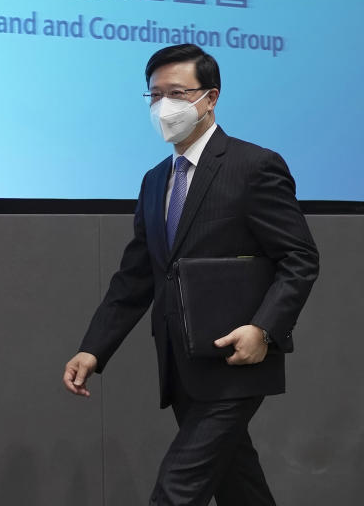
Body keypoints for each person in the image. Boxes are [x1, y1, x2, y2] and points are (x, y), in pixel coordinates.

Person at [62, 44, 319, 505]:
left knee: (177, 491)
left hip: (236, 359)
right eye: (155, 95)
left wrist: (264, 328)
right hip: (181, 364)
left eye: (177, 93)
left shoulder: (253, 166)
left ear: (210, 97)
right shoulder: (155, 179)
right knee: (238, 483)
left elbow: (300, 258)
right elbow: (137, 277)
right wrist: (93, 348)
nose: (165, 107)